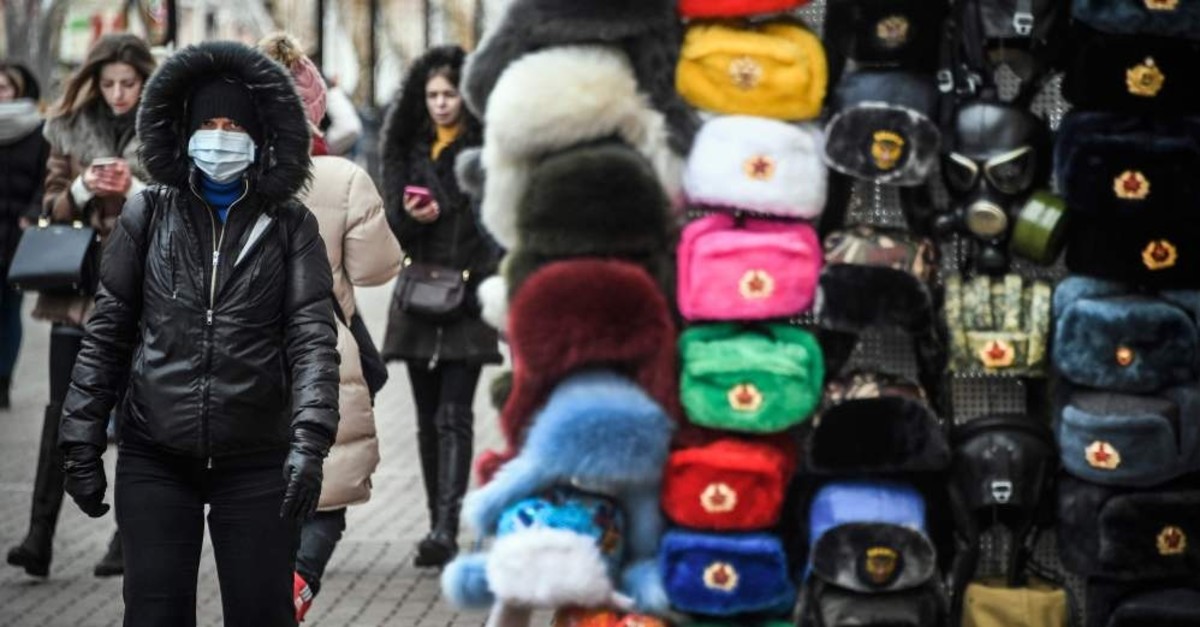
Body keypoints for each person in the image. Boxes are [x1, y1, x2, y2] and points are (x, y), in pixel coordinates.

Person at [58, 40, 339, 626]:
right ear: (184, 133)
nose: (219, 136)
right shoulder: (148, 215)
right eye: (207, 123)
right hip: (156, 454)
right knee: (155, 614)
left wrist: (309, 443)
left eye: (233, 124)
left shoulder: (290, 226)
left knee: (261, 614)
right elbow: (108, 330)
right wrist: (81, 435)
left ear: (259, 137)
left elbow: (312, 340)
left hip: (259, 458)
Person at [258, 32, 402, 621]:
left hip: (244, 344)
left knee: (259, 475)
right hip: (324, 339)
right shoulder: (339, 178)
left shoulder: (220, 180)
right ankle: (300, 578)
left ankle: (266, 582)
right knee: (329, 474)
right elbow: (377, 268)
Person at [7, 34, 155, 579]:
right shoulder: (67, 128)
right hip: (76, 291)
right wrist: (87, 188)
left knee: (140, 414)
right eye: (109, 83)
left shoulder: (164, 127)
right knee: (59, 413)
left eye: (128, 84)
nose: (118, 93)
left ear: (145, 83)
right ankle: (38, 536)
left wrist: (134, 185)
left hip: (141, 294)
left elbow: (178, 204)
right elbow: (49, 204)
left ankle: (125, 539)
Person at [380, 45, 502, 568]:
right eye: (431, 95)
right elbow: (391, 230)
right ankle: (435, 524)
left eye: (449, 93)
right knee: (427, 419)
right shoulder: (407, 151)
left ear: (466, 96)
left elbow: (498, 227)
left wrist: (487, 281)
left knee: (455, 416)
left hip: (469, 299)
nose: (440, 103)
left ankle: (447, 528)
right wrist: (411, 217)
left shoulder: (487, 152)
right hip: (418, 295)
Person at [0, 62, 49, 410]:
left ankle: (3, 381)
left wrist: (32, 214)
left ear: (19, 89)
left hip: (17, 238)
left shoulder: (38, 130)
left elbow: (47, 179)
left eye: (4, 87)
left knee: (9, 311)